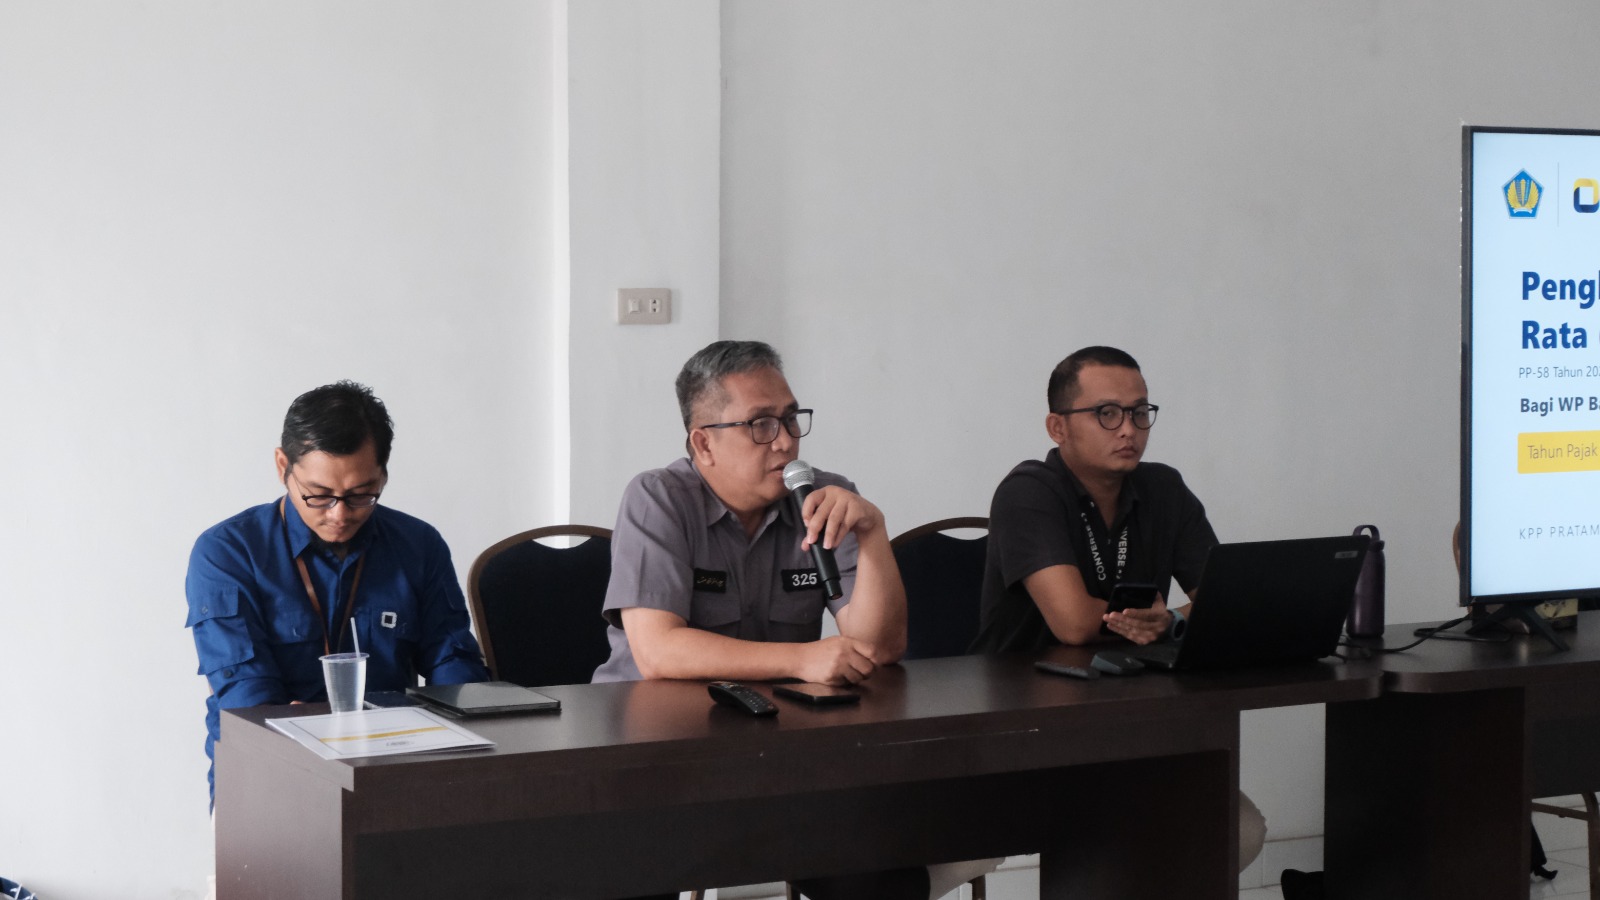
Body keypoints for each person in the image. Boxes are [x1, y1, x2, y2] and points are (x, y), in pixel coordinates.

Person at [593, 340, 994, 900]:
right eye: (760, 424)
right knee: (630, 872)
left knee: (872, 880)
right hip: (657, 755)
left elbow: (880, 647)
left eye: (789, 419)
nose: (784, 441)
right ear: (703, 443)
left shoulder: (824, 496)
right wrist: (803, 659)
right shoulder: (658, 498)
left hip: (779, 753)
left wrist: (873, 534)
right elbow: (659, 651)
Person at [970, 346, 1267, 871]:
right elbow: (1073, 623)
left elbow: (1226, 602)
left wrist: (1172, 619)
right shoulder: (1027, 492)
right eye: (1107, 413)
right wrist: (1155, 622)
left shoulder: (1163, 488)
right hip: (1026, 726)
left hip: (1131, 718)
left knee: (1238, 829)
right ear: (1058, 427)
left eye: (1139, 412)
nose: (1128, 429)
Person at [185, 381, 489, 806]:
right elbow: (247, 696)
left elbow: (451, 661)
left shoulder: (418, 545)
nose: (340, 514)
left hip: (391, 769)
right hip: (267, 775)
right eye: (319, 495)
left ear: (383, 474)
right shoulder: (228, 552)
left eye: (361, 495)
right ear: (282, 465)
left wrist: (465, 728)